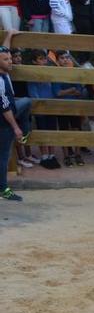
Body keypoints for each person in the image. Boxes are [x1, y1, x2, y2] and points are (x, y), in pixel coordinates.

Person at [0, 33, 31, 201]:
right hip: (4, 121)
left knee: (26, 102)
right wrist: (16, 128)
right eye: (6, 60)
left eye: (10, 58)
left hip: (9, 110)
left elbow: (4, 50)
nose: (10, 61)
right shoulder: (1, 81)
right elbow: (5, 108)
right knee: (3, 156)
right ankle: (4, 189)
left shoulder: (3, 70)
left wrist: (9, 35)